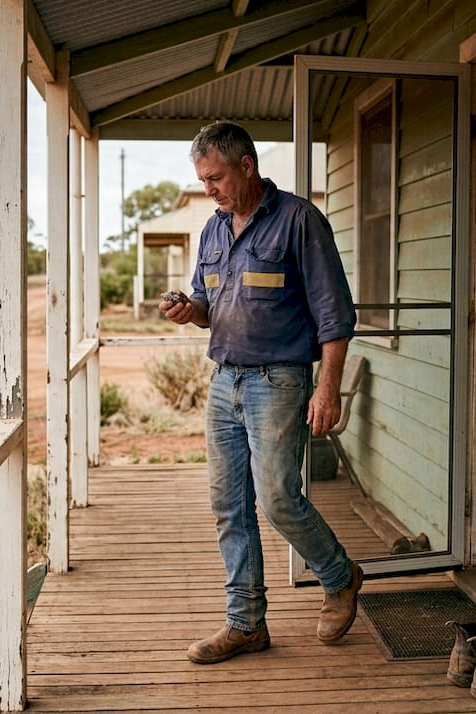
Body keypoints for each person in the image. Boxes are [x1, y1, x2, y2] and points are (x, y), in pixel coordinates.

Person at [160, 120, 362, 665]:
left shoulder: (299, 221)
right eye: (203, 180)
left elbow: (335, 317)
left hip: (280, 381)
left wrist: (329, 389)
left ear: (246, 165)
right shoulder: (213, 230)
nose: (209, 190)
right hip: (224, 380)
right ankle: (245, 623)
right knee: (229, 507)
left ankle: (340, 577)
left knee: (277, 498)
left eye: (216, 177)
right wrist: (189, 310)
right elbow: (208, 308)